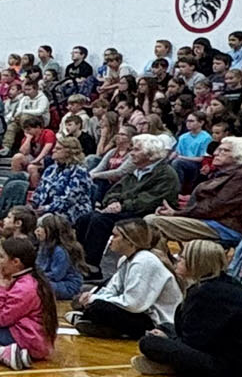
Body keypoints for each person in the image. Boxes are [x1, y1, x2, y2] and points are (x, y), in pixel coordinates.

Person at [130, 240, 242, 377]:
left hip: (236, 366)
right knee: (164, 328)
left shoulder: (208, 293)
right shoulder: (221, 283)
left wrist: (170, 340)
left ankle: (174, 366)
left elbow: (196, 342)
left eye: (183, 258)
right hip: (237, 355)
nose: (178, 259)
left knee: (149, 343)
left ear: (197, 263)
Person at [78, 134, 180, 277]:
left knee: (99, 221)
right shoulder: (135, 171)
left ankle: (92, 268)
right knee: (85, 218)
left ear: (150, 154)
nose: (131, 153)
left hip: (145, 214)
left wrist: (122, 205)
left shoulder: (166, 174)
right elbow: (114, 191)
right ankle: (79, 262)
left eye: (136, 150)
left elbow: (149, 201)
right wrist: (113, 202)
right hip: (127, 210)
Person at [71, 219, 182, 339]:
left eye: (115, 236)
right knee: (90, 299)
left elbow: (133, 304)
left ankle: (111, 328)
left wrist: (94, 299)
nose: (110, 240)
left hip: (158, 322)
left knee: (98, 308)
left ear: (130, 241)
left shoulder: (144, 261)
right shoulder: (126, 259)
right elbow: (112, 288)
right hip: (140, 312)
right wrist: (92, 296)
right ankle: (106, 327)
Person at [147, 136, 242, 246]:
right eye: (218, 149)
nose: (215, 153)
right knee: (150, 222)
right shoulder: (224, 174)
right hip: (209, 221)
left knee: (152, 222)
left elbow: (214, 208)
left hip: (225, 227)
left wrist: (176, 213)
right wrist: (175, 211)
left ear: (239, 156)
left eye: (224, 150)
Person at [0, 238, 58, 370]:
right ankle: (13, 354)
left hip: (27, 339)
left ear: (16, 262)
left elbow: (1, 319)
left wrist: (1, 288)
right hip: (31, 337)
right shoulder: (29, 279)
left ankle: (0, 351)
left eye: (2, 256)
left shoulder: (25, 287)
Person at [31, 137, 95, 223]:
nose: (53, 150)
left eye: (58, 149)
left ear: (69, 152)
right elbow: (39, 190)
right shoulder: (50, 169)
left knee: (43, 221)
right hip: (46, 209)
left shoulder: (79, 172)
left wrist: (45, 209)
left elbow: (69, 199)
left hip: (71, 211)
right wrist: (33, 204)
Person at [36, 213, 87, 299]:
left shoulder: (60, 251)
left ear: (51, 231)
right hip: (51, 280)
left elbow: (57, 275)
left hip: (66, 285)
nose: (37, 230)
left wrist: (38, 277)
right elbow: (38, 265)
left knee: (37, 286)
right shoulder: (44, 246)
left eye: (42, 228)